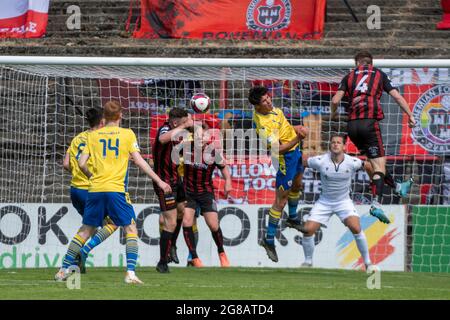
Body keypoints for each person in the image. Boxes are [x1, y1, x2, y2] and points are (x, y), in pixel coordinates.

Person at [55, 100, 171, 284]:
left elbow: (82, 162)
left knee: (85, 230)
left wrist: (91, 175)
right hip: (116, 189)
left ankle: (63, 270)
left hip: (94, 189)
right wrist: (159, 180)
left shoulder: (92, 136)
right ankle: (131, 274)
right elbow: (140, 162)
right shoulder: (127, 134)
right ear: (120, 115)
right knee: (130, 228)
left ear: (104, 118)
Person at [331, 51, 416, 224]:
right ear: (371, 63)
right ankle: (376, 204)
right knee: (379, 167)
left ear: (357, 63)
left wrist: (333, 115)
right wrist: (410, 115)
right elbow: (397, 96)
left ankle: (398, 187)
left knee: (375, 162)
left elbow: (334, 101)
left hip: (352, 127)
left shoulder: (348, 76)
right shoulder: (378, 74)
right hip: (369, 124)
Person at [249, 85, 308, 263]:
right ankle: (268, 239)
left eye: (268, 98)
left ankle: (292, 218)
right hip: (285, 158)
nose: (269, 102)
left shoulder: (273, 110)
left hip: (295, 151)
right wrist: (298, 137)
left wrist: (295, 128)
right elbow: (279, 150)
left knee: (298, 185)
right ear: (257, 107)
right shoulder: (262, 126)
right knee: (280, 200)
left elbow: (283, 126)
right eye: (265, 102)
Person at [58, 107, 119, 274]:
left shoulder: (77, 138)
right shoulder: (99, 139)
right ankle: (75, 258)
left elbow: (65, 164)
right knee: (114, 221)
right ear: (102, 122)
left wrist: (78, 174)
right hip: (92, 190)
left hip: (75, 189)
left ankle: (74, 263)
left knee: (89, 227)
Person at [299, 134, 373, 269]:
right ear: (330, 145)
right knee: (307, 230)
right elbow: (302, 162)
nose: (335, 144)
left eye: (339, 142)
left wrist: (373, 180)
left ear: (344, 146)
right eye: (333, 142)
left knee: (356, 228)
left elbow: (367, 165)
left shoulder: (352, 162)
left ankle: (368, 262)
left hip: (343, 202)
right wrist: (298, 179)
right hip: (324, 202)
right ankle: (308, 262)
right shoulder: (320, 160)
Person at [181, 123, 232, 267]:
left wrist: (228, 181)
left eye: (203, 136)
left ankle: (222, 253)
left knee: (213, 225)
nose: (200, 138)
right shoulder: (185, 148)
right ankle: (195, 257)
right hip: (188, 192)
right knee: (187, 222)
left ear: (207, 137)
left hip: (205, 193)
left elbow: (224, 168)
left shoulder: (213, 152)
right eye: (198, 136)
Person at [152, 107, 194, 273]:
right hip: (164, 182)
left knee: (182, 211)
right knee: (170, 221)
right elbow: (162, 140)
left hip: (176, 179)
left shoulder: (179, 133)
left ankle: (172, 245)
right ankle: (162, 262)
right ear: (175, 122)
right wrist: (184, 127)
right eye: (184, 122)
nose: (187, 125)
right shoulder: (166, 128)